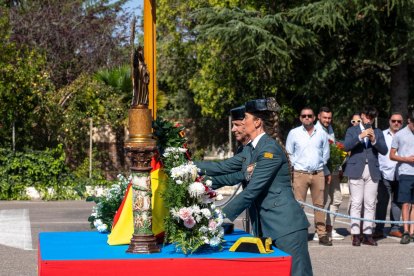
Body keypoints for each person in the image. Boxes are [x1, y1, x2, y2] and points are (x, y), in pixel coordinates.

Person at [195, 98, 313, 276]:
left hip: (286, 227)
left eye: (247, 118)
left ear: (257, 122)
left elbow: (252, 190)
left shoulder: (269, 150)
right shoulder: (251, 150)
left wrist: (220, 216)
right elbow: (223, 168)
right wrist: (188, 166)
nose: (243, 122)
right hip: (268, 227)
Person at [286, 107, 331, 246]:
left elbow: (326, 152)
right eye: (304, 115)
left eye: (309, 115)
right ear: (300, 118)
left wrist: (321, 164)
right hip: (300, 174)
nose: (307, 117)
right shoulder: (294, 133)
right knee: (299, 205)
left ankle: (322, 234)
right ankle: (300, 233)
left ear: (314, 118)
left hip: (318, 173)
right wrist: (296, 165)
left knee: (319, 205)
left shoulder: (321, 133)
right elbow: (289, 152)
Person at [343, 105, 387, 246]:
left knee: (369, 203)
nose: (369, 120)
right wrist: (360, 137)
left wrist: (374, 140)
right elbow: (346, 146)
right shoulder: (352, 130)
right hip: (356, 169)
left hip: (372, 170)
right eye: (367, 117)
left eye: (372, 118)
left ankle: (368, 234)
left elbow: (385, 150)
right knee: (356, 203)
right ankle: (356, 234)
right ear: (362, 115)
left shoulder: (378, 132)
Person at [372, 113, 404, 239]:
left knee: (397, 202)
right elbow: (377, 153)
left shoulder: (405, 135)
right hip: (384, 173)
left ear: (402, 123)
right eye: (394, 120)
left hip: (401, 174)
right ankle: (379, 229)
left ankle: (395, 228)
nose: (396, 123)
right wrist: (377, 169)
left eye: (399, 121)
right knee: (382, 202)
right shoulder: (382, 135)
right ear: (390, 121)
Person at [315, 106, 344, 241]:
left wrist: (339, 168)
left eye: (329, 118)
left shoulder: (329, 129)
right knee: (322, 201)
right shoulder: (316, 130)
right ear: (319, 116)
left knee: (337, 198)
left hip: (333, 170)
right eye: (324, 117)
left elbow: (334, 150)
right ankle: (318, 232)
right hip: (322, 171)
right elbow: (318, 155)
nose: (327, 120)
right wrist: (326, 172)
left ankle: (329, 229)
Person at [389, 110, 414, 244]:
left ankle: (412, 231)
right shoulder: (400, 135)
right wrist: (406, 159)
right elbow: (391, 155)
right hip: (405, 173)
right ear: (409, 121)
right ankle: (405, 231)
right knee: (405, 203)